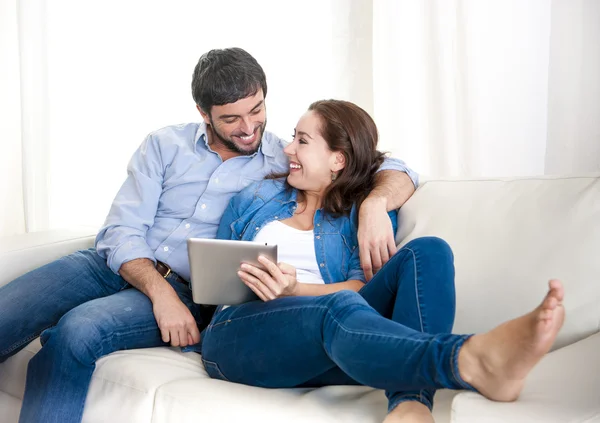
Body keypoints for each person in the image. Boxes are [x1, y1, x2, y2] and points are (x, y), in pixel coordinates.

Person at [0, 48, 417, 423]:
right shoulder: (165, 145)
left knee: (78, 330)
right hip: (113, 263)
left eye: (257, 110)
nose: (249, 128)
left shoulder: (283, 156)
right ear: (204, 111)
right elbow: (121, 230)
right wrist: (158, 293)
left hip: (189, 286)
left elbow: (384, 164)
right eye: (232, 118)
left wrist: (377, 204)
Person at [199, 99, 566, 423]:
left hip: (336, 338)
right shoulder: (256, 196)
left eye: (302, 141)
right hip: (241, 335)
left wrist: (299, 286)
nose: (288, 148)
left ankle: (411, 402)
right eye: (294, 137)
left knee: (430, 250)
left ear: (338, 159)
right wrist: (278, 291)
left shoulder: (362, 212)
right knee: (337, 307)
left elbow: (363, 288)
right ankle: (470, 360)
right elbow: (217, 277)